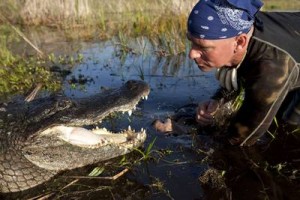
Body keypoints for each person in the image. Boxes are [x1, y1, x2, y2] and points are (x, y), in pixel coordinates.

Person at [187, 0, 300, 146]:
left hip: (287, 60)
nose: (191, 54)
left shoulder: (270, 69)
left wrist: (185, 132)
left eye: (204, 47)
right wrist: (218, 100)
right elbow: (241, 68)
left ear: (239, 42)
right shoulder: (244, 24)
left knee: (288, 126)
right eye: (191, 41)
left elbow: (240, 139)